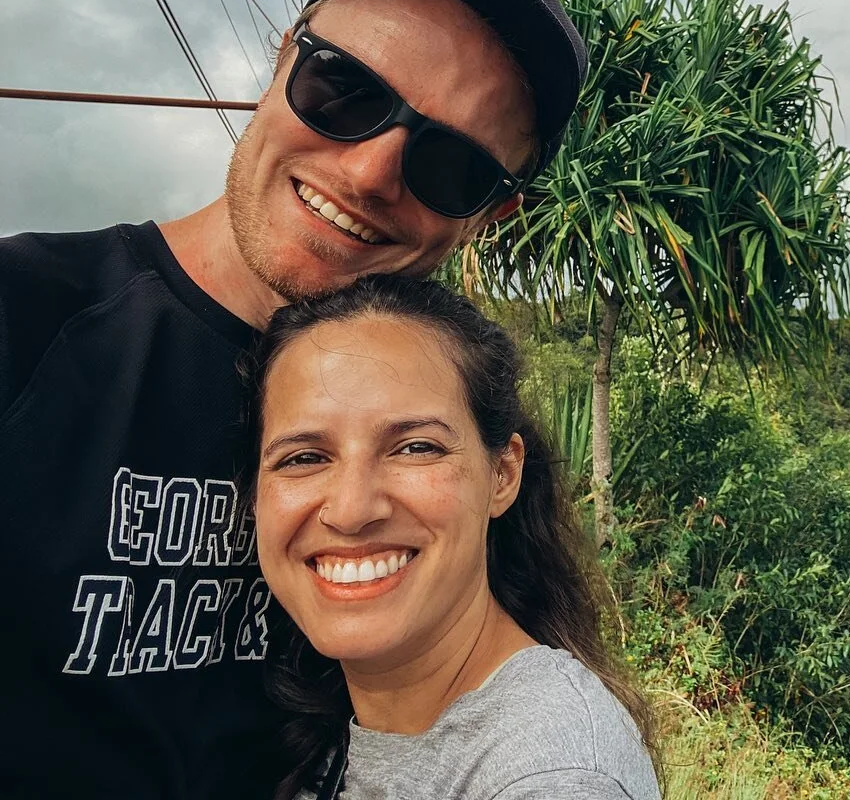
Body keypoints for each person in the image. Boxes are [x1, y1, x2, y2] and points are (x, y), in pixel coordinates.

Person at [0, 0, 587, 799]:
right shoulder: (26, 318)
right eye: (345, 89)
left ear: (487, 215)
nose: (368, 173)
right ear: (283, 60)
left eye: (452, 164)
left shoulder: (457, 433)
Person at [247, 274, 659, 800]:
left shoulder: (552, 770)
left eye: (416, 448)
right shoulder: (327, 719)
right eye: (304, 458)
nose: (351, 510)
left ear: (502, 474)